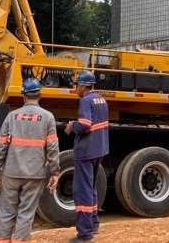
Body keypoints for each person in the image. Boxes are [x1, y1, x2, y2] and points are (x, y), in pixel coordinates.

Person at [0, 78, 60, 243]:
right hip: (34, 175)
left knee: (6, 213)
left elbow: (1, 148)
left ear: (23, 97)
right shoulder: (48, 117)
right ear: (39, 95)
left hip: (10, 173)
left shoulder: (12, 117)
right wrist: (55, 172)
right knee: (26, 214)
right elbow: (52, 148)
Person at [64, 70, 109, 243]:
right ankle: (94, 224)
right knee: (91, 188)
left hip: (86, 150)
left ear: (83, 86)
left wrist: (71, 126)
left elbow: (85, 125)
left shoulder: (85, 101)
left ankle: (85, 234)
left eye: (76, 85)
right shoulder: (101, 99)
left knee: (82, 191)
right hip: (99, 149)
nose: (75, 88)